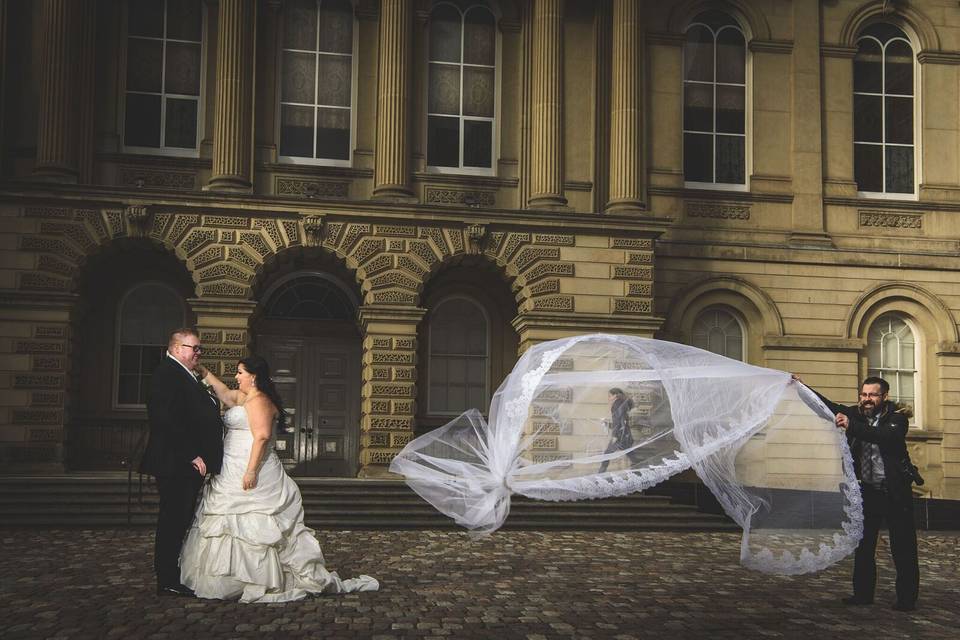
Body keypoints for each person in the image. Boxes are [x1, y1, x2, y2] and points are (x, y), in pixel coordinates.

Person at [179, 355, 378, 603]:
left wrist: (251, 471)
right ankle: (228, 577)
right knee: (226, 523)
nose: (236, 377)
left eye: (240, 372)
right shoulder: (244, 397)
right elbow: (226, 395)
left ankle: (259, 578)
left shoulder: (260, 401)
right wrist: (204, 371)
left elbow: (261, 437)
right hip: (230, 463)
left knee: (255, 523)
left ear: (253, 376)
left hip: (251, 465)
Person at [796, 375, 919, 612]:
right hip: (868, 492)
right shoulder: (855, 414)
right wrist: (800, 386)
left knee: (903, 547)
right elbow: (827, 405)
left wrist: (852, 427)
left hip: (894, 492)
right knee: (863, 546)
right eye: (864, 395)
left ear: (884, 397)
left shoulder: (897, 419)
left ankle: (906, 599)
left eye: (872, 395)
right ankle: (862, 594)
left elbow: (885, 437)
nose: (867, 399)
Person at [139, 328, 224, 597]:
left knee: (179, 519)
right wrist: (192, 454)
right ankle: (166, 579)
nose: (198, 353)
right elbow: (165, 420)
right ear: (177, 348)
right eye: (193, 348)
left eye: (199, 349)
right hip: (176, 463)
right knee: (173, 521)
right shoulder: (167, 373)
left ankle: (171, 575)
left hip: (183, 464)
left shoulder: (184, 374)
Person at [598, 388, 643, 473]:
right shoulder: (622, 404)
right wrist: (607, 423)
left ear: (615, 395)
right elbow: (622, 422)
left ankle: (600, 475)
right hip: (625, 435)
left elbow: (618, 422)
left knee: (607, 454)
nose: (608, 398)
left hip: (620, 436)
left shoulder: (616, 404)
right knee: (631, 455)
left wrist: (615, 435)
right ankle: (640, 468)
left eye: (609, 396)